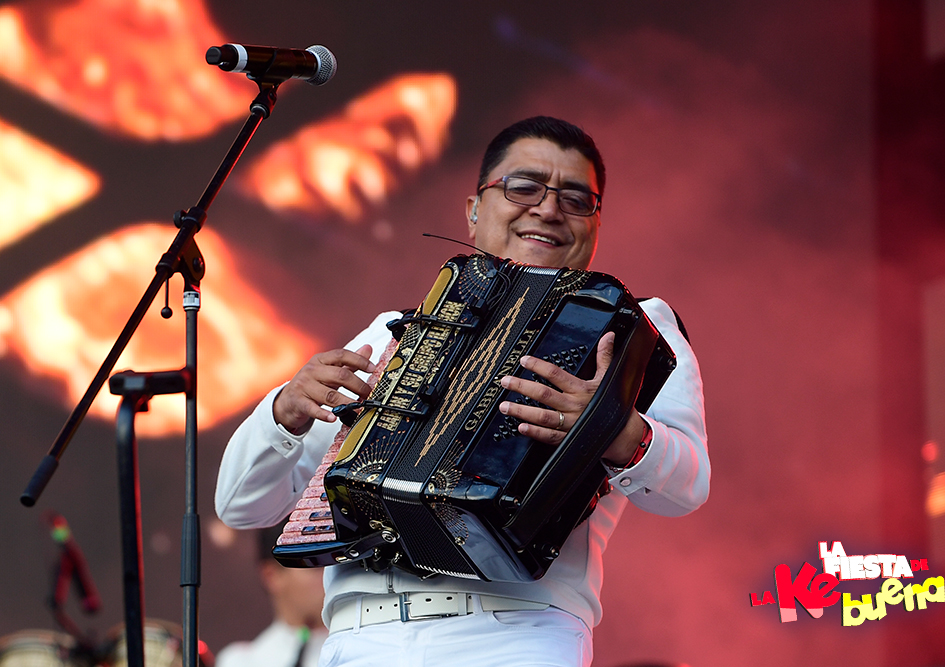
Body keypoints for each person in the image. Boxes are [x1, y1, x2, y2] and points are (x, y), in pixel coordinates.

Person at [215, 116, 710, 667]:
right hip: (363, 637)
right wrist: (285, 411)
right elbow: (241, 505)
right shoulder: (390, 335)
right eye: (524, 187)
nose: (548, 209)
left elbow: (687, 485)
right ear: (473, 211)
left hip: (513, 634)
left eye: (576, 199)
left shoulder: (637, 330)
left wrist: (610, 430)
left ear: (596, 224)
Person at [214, 524, 327, 667]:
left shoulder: (360, 644)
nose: (330, 576)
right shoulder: (243, 661)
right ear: (272, 576)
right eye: (316, 565)